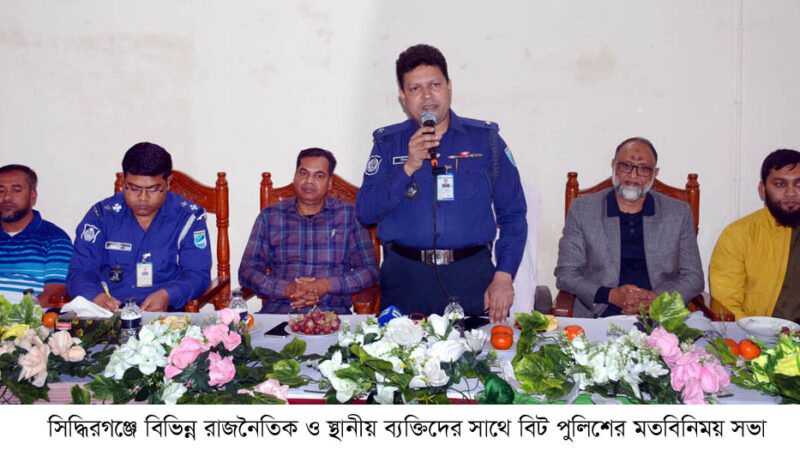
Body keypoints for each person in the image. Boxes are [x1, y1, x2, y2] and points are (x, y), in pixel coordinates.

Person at [356, 44, 527, 323]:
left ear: (449, 86)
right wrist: (408, 167)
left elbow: (514, 215)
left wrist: (504, 276)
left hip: (471, 278)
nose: (426, 96)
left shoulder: (486, 141)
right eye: (415, 88)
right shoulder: (388, 144)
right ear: (402, 96)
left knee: (477, 352)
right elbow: (366, 212)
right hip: (405, 280)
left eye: (434, 84)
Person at [554, 137, 704, 318]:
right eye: (626, 165)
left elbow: (693, 277)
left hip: (662, 316)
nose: (633, 175)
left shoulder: (678, 213)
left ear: (655, 173)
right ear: (614, 166)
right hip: (600, 313)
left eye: (643, 168)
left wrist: (657, 299)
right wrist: (610, 295)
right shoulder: (583, 210)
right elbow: (566, 274)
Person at [67, 142, 211, 311]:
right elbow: (80, 271)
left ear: (168, 182)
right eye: (134, 188)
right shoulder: (101, 215)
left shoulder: (188, 217)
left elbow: (197, 275)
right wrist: (94, 296)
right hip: (110, 314)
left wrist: (168, 295)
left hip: (166, 315)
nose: (142, 197)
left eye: (153, 189)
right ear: (123, 181)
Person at [239, 148, 379, 314]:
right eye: (303, 173)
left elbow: (370, 271)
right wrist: (287, 289)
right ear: (295, 177)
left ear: (330, 183)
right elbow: (247, 271)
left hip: (331, 313)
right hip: (280, 311)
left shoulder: (349, 216)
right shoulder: (270, 216)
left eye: (319, 176)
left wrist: (325, 285)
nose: (309, 181)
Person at [710, 149, 800, 320]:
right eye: (780, 184)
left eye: (798, 184)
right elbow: (727, 304)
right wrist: (753, 332)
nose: (791, 193)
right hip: (759, 333)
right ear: (763, 190)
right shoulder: (738, 235)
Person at [0, 164, 72, 306]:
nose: (7, 197)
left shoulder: (55, 239)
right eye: (0, 191)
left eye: (16, 190)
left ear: (32, 196)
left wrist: (16, 314)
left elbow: (55, 293)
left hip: (26, 317)